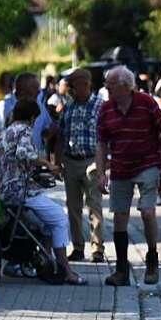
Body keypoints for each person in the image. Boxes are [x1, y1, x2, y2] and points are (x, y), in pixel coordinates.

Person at [96, 66, 161, 286]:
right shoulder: (105, 109)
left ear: (124, 85)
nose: (106, 88)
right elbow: (102, 144)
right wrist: (101, 172)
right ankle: (122, 271)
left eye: (110, 84)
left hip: (148, 163)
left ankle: (152, 259)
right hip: (121, 168)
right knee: (119, 217)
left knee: (147, 211)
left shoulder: (146, 102)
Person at [0, 99, 85, 285]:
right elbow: (24, 154)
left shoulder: (4, 133)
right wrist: (47, 164)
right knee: (59, 219)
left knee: (45, 227)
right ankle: (66, 269)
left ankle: (48, 264)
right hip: (21, 191)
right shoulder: (23, 130)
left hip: (6, 190)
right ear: (31, 117)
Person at [55, 69, 105, 263]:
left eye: (74, 86)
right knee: (73, 207)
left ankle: (97, 249)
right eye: (71, 87)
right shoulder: (68, 107)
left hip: (93, 160)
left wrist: (105, 164)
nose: (72, 90)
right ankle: (77, 247)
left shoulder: (100, 106)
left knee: (94, 205)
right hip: (71, 161)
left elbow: (106, 137)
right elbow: (60, 135)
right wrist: (57, 162)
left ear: (86, 84)